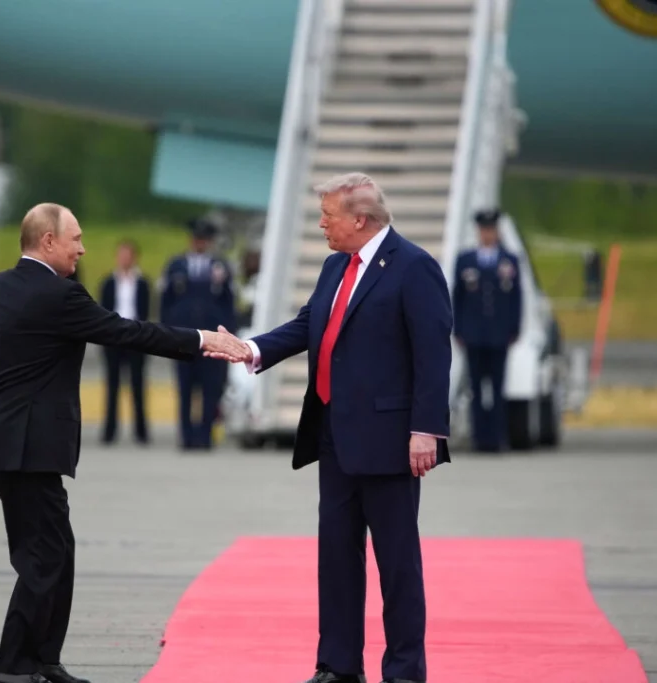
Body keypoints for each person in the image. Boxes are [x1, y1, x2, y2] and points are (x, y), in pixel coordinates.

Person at [0, 203, 249, 683]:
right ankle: (14, 669)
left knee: (55, 550)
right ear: (47, 241)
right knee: (43, 558)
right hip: (31, 446)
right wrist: (202, 339)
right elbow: (127, 330)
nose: (82, 247)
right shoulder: (60, 295)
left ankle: (44, 661)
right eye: (75, 238)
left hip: (4, 445)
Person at [207, 173, 453, 683]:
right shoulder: (335, 266)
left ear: (359, 219)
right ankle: (338, 667)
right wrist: (251, 348)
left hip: (390, 443)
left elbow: (433, 354)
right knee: (337, 560)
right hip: (335, 437)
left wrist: (427, 429)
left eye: (328, 215)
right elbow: (308, 324)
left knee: (397, 566)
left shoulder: (414, 268)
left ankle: (404, 671)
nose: (321, 223)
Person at [159, 218, 238, 450]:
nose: (200, 243)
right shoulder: (176, 265)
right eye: (197, 238)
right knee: (184, 387)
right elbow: (166, 301)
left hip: (212, 338)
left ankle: (205, 435)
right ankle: (186, 436)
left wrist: (228, 335)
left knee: (210, 388)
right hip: (184, 336)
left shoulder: (220, 267)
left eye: (204, 239)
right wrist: (167, 331)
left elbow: (229, 303)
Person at [451, 209, 523, 452]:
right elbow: (458, 298)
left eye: (491, 230)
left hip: (499, 334)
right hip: (473, 334)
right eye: (484, 230)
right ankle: (479, 437)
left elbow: (516, 298)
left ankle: (497, 437)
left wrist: (514, 328)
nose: (487, 234)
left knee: (498, 387)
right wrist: (458, 329)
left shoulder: (509, 260)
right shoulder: (466, 260)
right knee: (476, 388)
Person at [98, 240, 152, 444]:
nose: (125, 259)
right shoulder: (109, 282)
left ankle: (141, 431)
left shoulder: (142, 282)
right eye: (122, 254)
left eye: (128, 255)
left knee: (138, 385)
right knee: (112, 386)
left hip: (135, 337)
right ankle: (109, 431)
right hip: (114, 337)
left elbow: (146, 310)